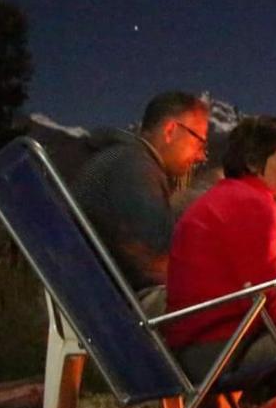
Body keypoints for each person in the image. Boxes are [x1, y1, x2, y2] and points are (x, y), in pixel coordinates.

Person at [164, 115, 276, 384]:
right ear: (254, 161)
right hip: (216, 355)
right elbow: (266, 307)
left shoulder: (225, 196)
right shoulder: (255, 205)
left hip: (189, 346)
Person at [71, 92, 209, 292]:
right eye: (199, 143)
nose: (201, 156)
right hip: (115, 302)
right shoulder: (134, 167)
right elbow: (154, 261)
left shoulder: (122, 158)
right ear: (170, 131)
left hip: (97, 290)